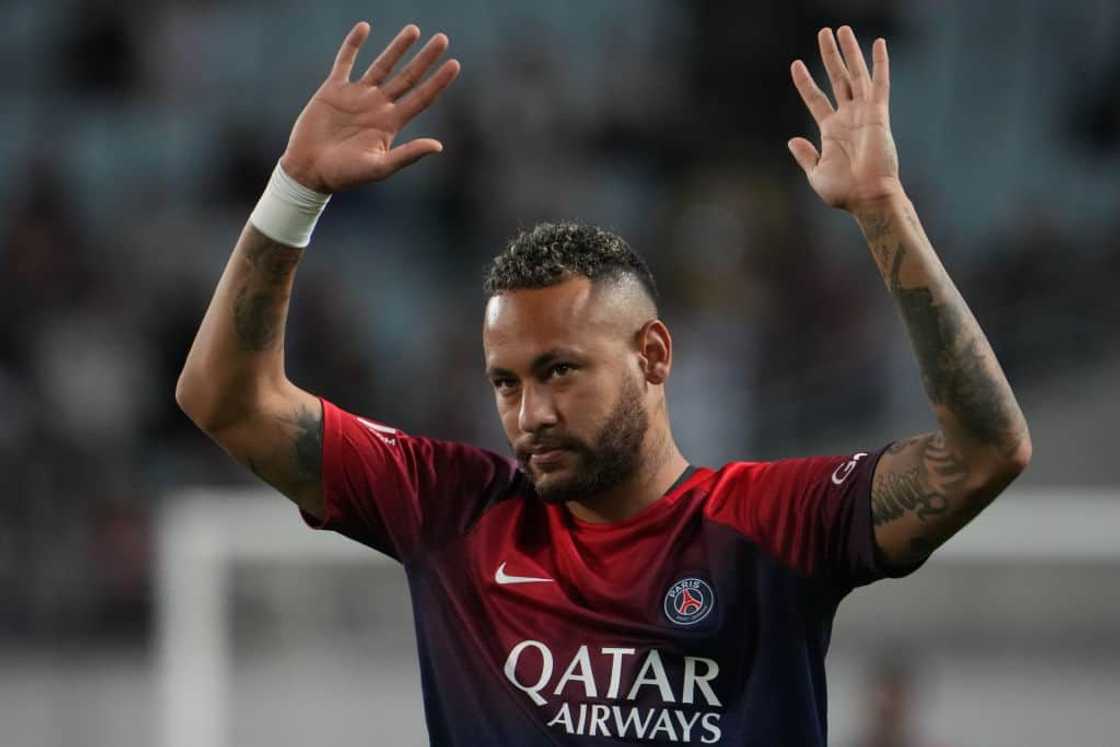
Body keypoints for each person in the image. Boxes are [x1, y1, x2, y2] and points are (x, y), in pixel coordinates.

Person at [176, 21, 1031, 746]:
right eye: (504, 383)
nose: (530, 413)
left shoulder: (774, 523)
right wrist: (293, 194)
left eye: (559, 371)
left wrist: (882, 208)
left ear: (654, 356)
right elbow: (226, 399)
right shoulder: (452, 510)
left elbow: (986, 451)